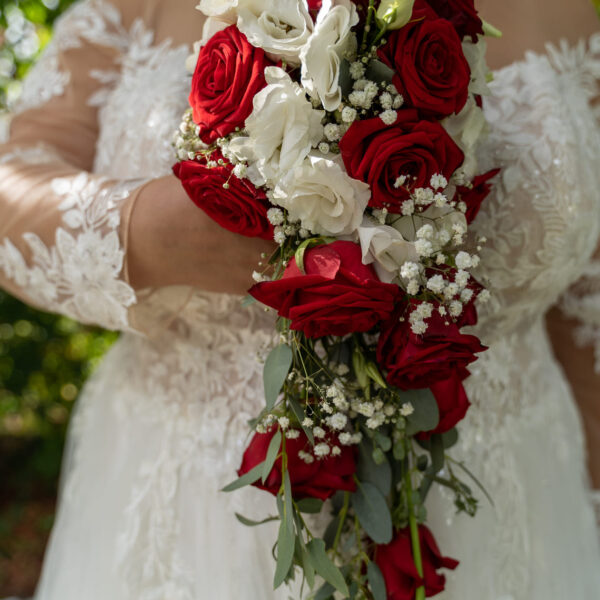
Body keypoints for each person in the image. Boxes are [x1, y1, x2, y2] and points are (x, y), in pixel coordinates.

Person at [0, 0, 598, 597]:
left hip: (509, 501)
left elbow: (588, 309)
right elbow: (13, 188)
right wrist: (158, 231)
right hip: (198, 512)